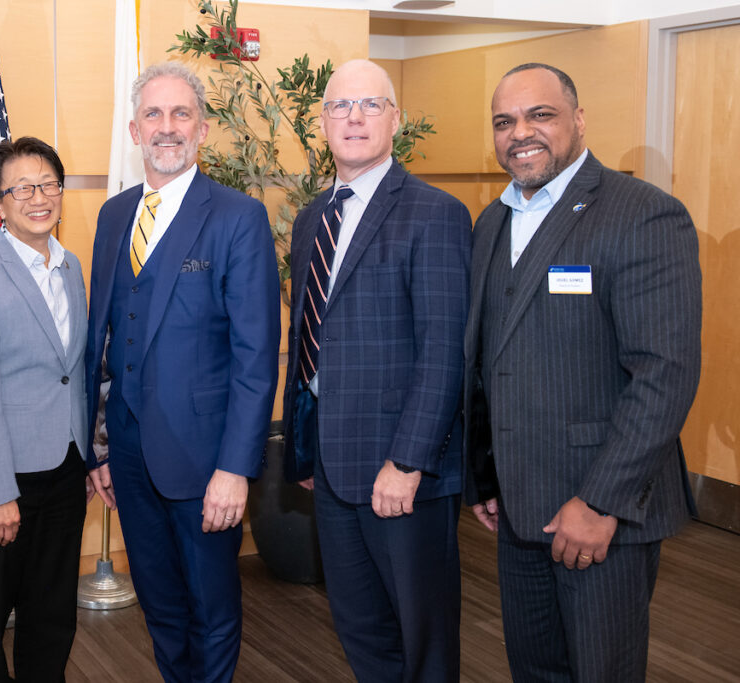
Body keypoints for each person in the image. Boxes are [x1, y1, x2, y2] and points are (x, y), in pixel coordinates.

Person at [463, 63, 701, 682]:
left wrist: (601, 501)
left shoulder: (642, 214)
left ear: (578, 119)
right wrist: (485, 473)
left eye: (539, 115)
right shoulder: (492, 222)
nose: (521, 132)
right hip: (518, 509)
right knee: (535, 669)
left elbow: (664, 373)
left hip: (600, 512)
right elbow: (489, 362)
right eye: (504, 121)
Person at [85, 61, 280, 682]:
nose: (167, 127)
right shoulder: (114, 216)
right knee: (161, 603)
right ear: (136, 130)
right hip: (131, 458)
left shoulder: (237, 217)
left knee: (211, 607)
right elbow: (105, 342)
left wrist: (235, 469)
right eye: (153, 115)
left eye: (181, 114)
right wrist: (102, 449)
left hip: (204, 461)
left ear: (201, 129)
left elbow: (256, 356)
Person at [281, 59, 470, 682]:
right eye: (340, 106)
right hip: (333, 471)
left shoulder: (433, 213)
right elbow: (312, 338)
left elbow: (444, 348)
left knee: (423, 641)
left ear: (396, 119)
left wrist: (408, 461)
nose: (354, 117)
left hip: (401, 472)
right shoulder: (313, 218)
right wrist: (306, 452)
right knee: (362, 630)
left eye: (370, 104)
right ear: (323, 122)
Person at [0, 136, 90, 682]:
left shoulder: (72, 265)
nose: (38, 197)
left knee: (52, 615)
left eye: (48, 184)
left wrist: (87, 456)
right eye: (21, 188)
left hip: (62, 470)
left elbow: (69, 371)